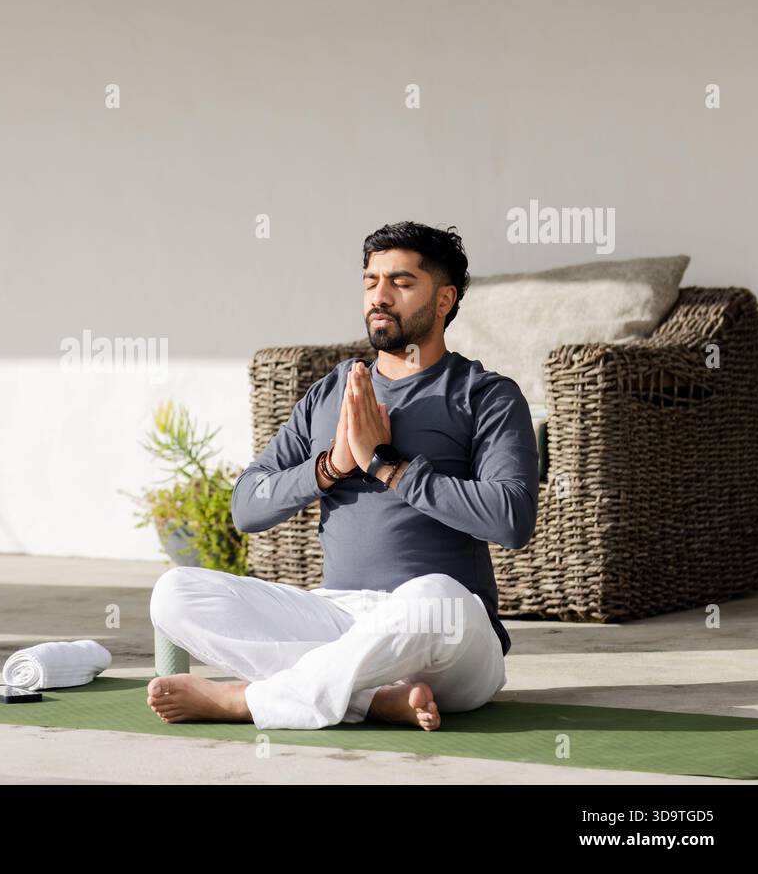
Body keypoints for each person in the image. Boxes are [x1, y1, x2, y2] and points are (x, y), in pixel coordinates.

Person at [147, 221, 540, 731]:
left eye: (400, 283)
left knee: (435, 595)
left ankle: (246, 701)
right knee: (176, 592)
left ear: (444, 300)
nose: (379, 296)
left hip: (443, 635)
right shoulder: (331, 393)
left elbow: (511, 519)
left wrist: (387, 466)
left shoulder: (484, 394)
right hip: (338, 619)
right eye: (370, 281)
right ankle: (373, 700)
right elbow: (246, 506)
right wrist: (331, 467)